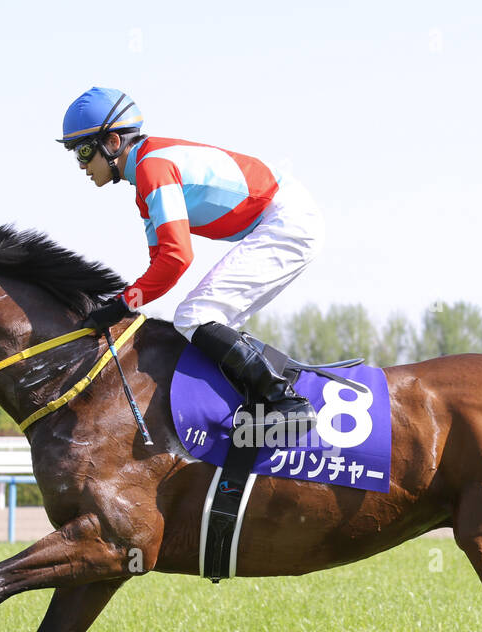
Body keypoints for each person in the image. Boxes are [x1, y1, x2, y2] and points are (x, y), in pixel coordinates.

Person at [57, 86, 322, 429]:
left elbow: (177, 257)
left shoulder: (153, 168)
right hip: (281, 218)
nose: (81, 165)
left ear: (112, 143)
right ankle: (263, 397)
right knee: (205, 320)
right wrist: (120, 302)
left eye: (84, 150)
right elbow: (162, 267)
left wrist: (122, 304)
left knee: (196, 315)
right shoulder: (144, 181)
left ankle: (284, 402)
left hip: (287, 218)